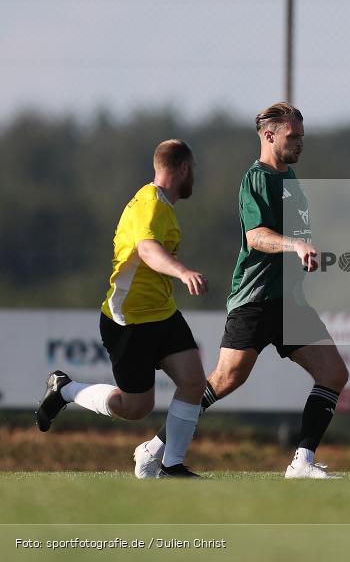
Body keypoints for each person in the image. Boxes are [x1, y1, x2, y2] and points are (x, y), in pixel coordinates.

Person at [132, 102, 349, 479]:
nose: (300, 143)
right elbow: (257, 236)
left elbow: (293, 237)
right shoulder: (256, 179)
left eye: (301, 136)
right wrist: (294, 246)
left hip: (290, 304)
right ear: (269, 135)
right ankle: (154, 448)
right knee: (224, 380)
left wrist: (307, 252)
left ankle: (302, 462)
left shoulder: (292, 180)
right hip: (256, 299)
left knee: (333, 373)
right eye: (292, 136)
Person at [36, 139, 207, 478]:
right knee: (135, 408)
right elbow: (147, 250)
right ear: (184, 168)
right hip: (129, 321)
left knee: (193, 382)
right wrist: (182, 271)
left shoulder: (161, 204)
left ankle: (171, 465)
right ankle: (65, 390)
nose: (195, 178)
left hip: (163, 313)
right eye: (194, 170)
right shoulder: (150, 206)